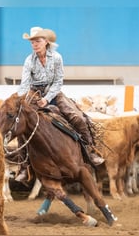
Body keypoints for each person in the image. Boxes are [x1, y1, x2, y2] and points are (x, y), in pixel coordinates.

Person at [14, 26, 104, 182]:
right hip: (34, 93)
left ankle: (90, 151)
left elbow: (58, 82)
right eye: (32, 42)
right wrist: (20, 98)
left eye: (37, 41)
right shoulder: (29, 60)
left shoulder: (56, 58)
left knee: (77, 118)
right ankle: (24, 167)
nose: (34, 44)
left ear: (46, 42)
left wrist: (47, 99)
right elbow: (25, 83)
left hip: (54, 93)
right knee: (22, 124)